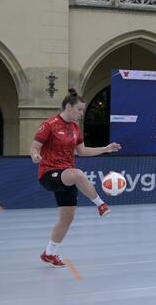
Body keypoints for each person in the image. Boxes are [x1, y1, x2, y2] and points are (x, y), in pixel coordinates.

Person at [30, 88, 121, 268]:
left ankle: (49, 253)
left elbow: (82, 151)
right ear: (69, 107)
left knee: (67, 219)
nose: (81, 113)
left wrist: (106, 148)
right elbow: (34, 147)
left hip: (67, 175)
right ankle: (101, 205)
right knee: (78, 174)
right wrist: (35, 155)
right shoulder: (49, 125)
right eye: (79, 109)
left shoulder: (74, 128)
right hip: (50, 173)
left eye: (82, 110)